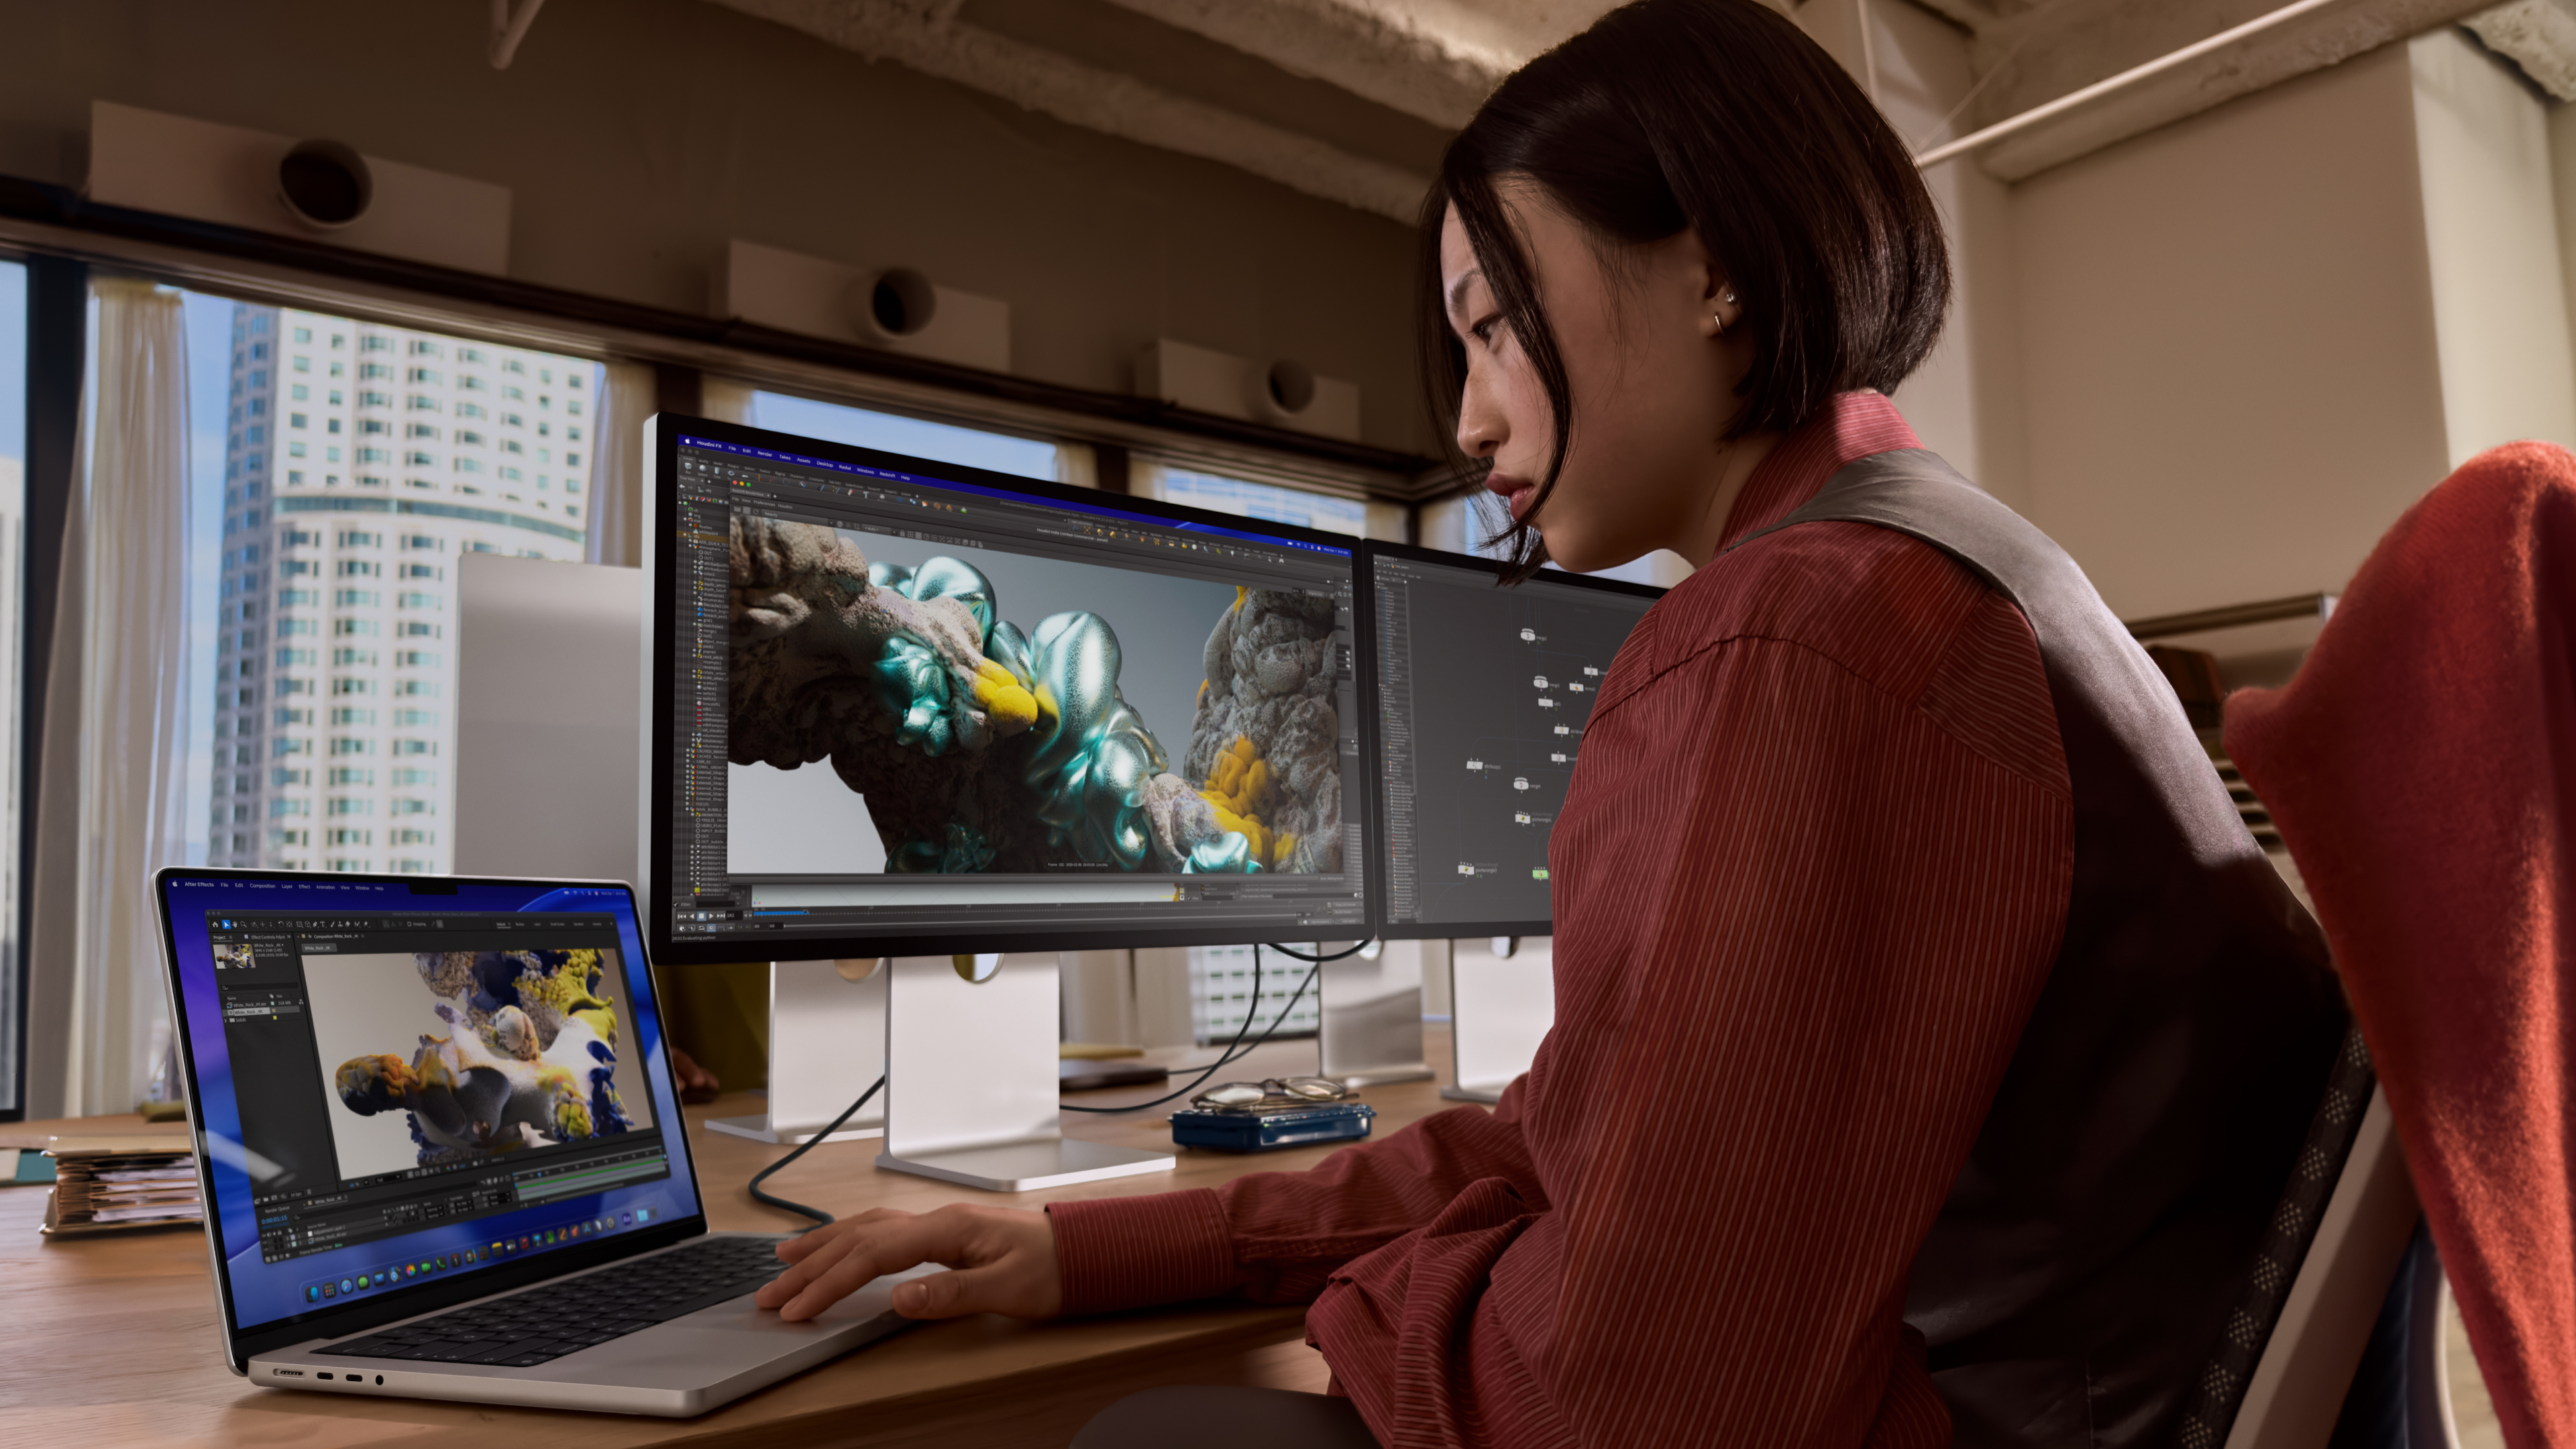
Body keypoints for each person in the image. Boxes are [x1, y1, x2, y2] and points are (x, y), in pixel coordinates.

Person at [752, 2, 2347, 1444]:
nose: (1466, 418)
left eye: (1496, 324)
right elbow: (1567, 1143)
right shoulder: (1961, 567)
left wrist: (1370, 1308)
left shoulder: (1796, 636)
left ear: (1714, 265)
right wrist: (1092, 1248)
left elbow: (1632, 1405)